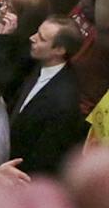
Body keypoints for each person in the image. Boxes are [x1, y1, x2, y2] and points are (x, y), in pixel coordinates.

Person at [9, 17, 88, 176]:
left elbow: (44, 158)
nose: (32, 38)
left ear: (59, 50)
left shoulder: (63, 102)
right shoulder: (36, 65)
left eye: (41, 38)